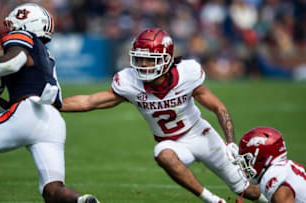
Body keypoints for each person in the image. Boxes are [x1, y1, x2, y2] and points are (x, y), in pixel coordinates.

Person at [60, 28, 267, 203]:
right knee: (162, 153)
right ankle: (214, 200)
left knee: (249, 191)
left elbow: (218, 108)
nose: (142, 65)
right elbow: (89, 102)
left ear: (166, 59)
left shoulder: (188, 73)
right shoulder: (130, 83)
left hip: (201, 135)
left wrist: (231, 142)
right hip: (172, 143)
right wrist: (54, 104)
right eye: (139, 59)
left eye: (149, 60)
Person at [0, 3, 99, 203]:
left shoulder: (23, 37)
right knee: (52, 190)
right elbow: (10, 110)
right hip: (52, 121)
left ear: (24, 22)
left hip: (28, 112)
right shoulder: (47, 57)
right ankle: (81, 201)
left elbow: (12, 62)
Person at [237, 127, 306, 203]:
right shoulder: (283, 168)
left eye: (248, 160)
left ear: (261, 157)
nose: (246, 166)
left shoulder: (274, 175)